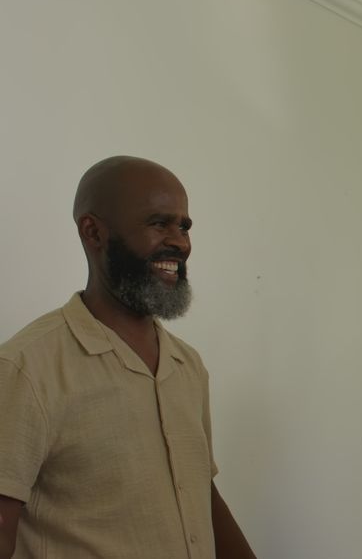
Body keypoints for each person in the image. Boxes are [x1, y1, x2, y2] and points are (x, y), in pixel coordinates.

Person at [0, 156, 255, 559]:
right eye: (159, 223)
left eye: (184, 226)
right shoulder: (26, 368)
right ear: (93, 231)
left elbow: (198, 494)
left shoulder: (187, 366)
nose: (180, 242)